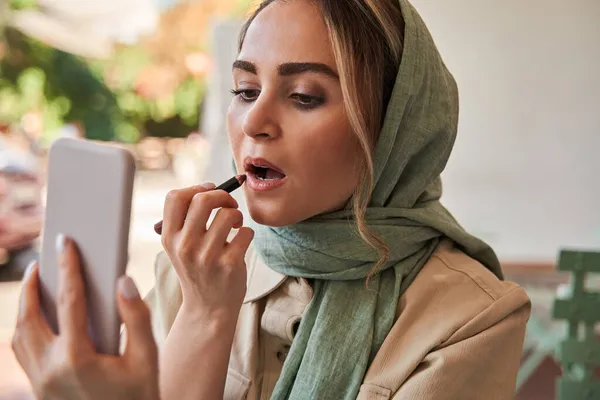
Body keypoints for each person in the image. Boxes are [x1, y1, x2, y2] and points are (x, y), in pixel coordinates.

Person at [12, 0, 531, 399]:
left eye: (304, 95)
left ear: (396, 129)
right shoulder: (192, 270)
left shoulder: (475, 319)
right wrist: (204, 312)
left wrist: (204, 322)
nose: (255, 123)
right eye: (244, 89)